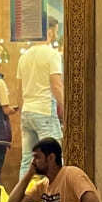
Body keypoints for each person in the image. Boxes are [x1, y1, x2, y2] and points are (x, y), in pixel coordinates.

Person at [14, 32, 63, 179]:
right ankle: (54, 198)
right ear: (49, 33)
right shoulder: (52, 54)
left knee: (27, 160)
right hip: (44, 111)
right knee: (53, 159)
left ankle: (22, 198)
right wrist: (68, 110)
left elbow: (18, 89)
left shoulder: (24, 57)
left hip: (27, 111)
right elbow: (56, 86)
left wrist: (22, 111)